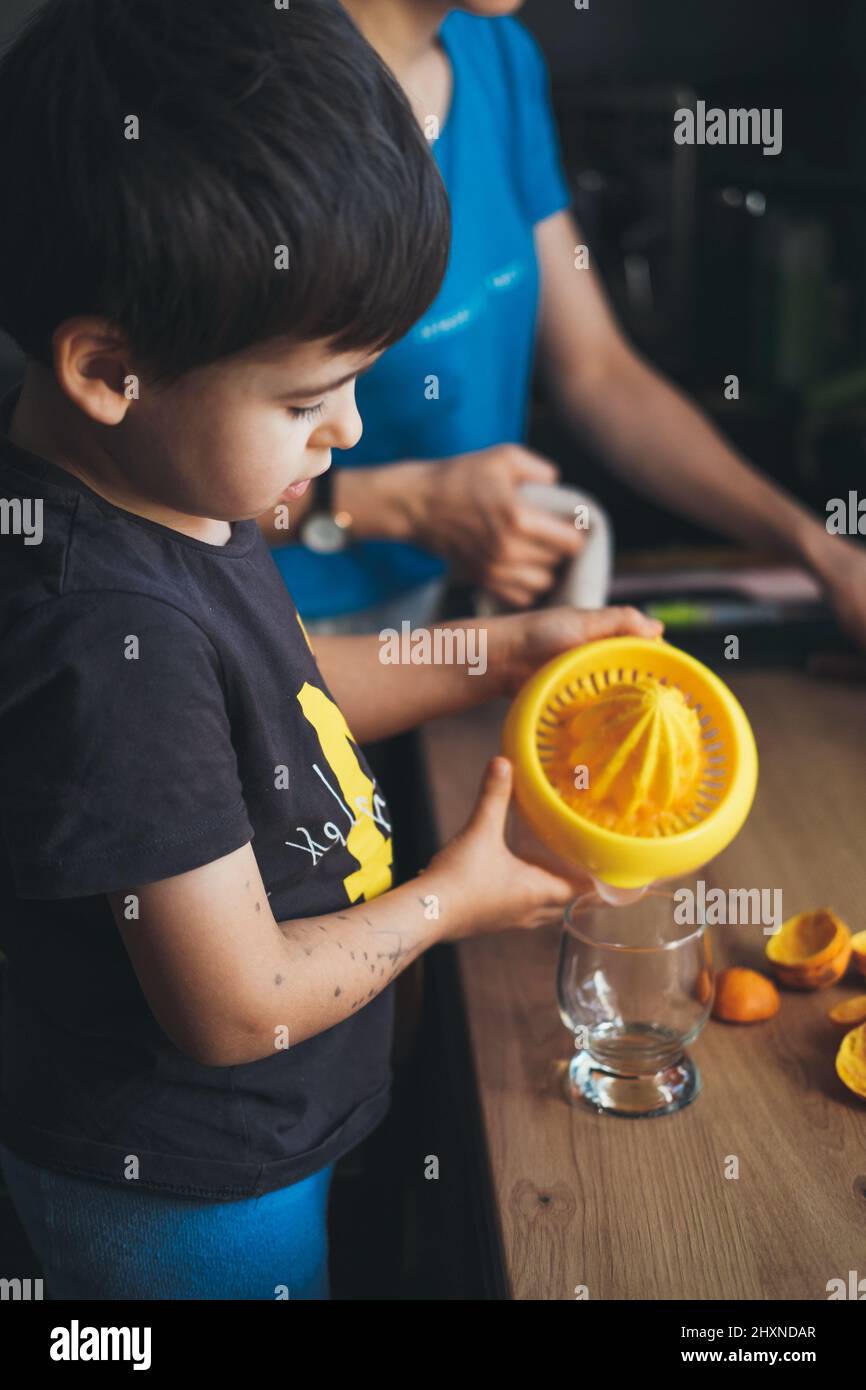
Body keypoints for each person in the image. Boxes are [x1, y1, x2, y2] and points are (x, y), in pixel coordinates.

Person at [0, 0, 661, 1299]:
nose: (349, 431)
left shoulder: (175, 485)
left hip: (263, 1152)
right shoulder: (104, 631)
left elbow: (294, 692)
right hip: (186, 1200)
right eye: (308, 398)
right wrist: (452, 900)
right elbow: (235, 1003)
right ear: (107, 368)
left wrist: (510, 647)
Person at [263, 0, 866, 653]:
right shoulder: (257, 84)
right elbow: (150, 467)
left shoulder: (496, 55)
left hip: (440, 616)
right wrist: (399, 504)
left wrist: (825, 555)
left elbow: (598, 372)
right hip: (276, 623)